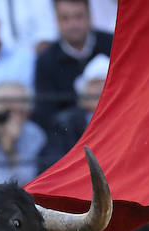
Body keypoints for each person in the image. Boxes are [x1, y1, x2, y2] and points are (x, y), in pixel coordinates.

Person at [32, 0, 113, 135]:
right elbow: (46, 115)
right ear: (56, 20)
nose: (73, 24)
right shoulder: (46, 61)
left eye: (78, 16)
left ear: (90, 16)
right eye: (65, 18)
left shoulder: (112, 46)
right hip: (70, 141)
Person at [39, 51, 108, 169]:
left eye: (106, 83)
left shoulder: (126, 121)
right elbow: (53, 161)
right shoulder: (64, 122)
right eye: (95, 84)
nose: (100, 90)